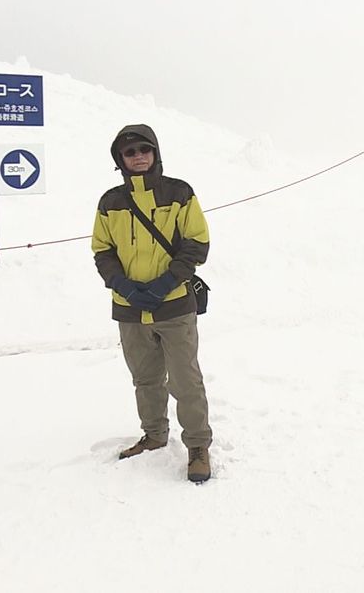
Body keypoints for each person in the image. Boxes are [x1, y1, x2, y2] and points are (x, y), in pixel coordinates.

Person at [91, 124, 213, 483]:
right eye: (129, 152)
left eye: (144, 149)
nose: (138, 156)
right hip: (130, 308)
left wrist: (165, 283)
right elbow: (102, 250)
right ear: (120, 159)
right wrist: (123, 285)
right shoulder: (110, 202)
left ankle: (197, 446)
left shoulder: (180, 193)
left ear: (156, 152)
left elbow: (197, 243)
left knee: (186, 380)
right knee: (145, 379)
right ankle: (155, 435)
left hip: (174, 304)